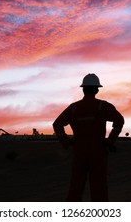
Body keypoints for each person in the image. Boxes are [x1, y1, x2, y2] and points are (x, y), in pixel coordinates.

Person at [53, 73, 125, 201]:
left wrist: (67, 143)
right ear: (97, 89)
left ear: (83, 89)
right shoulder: (103, 107)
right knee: (99, 189)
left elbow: (57, 124)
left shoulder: (74, 108)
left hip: (79, 153)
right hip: (98, 153)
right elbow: (119, 121)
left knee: (75, 188)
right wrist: (110, 141)